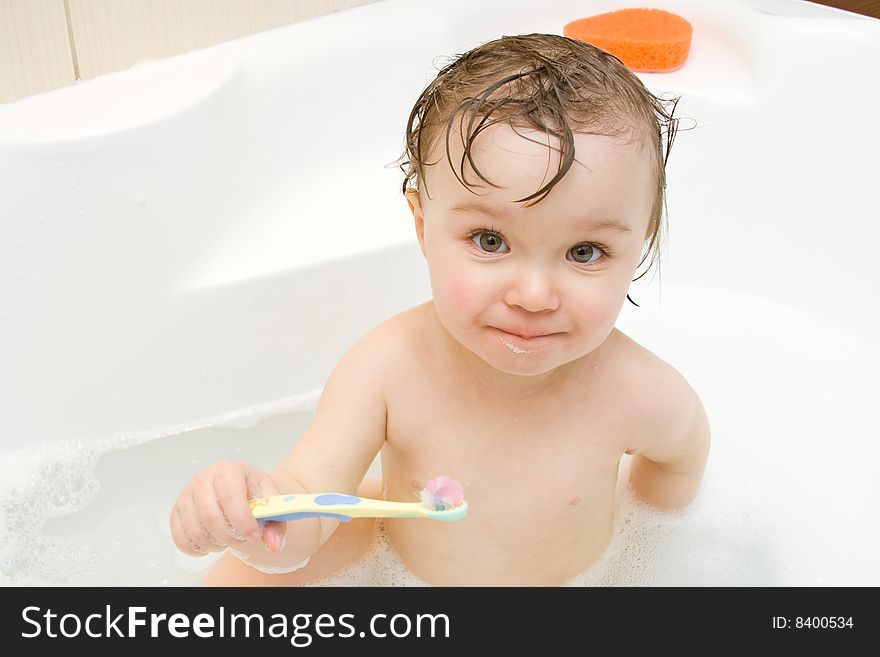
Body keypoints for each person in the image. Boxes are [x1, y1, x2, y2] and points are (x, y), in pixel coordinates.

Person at [170, 33, 710, 586]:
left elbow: (680, 463)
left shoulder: (637, 391)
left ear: (638, 245)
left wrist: (657, 546)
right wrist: (257, 516)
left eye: (584, 252)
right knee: (236, 576)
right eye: (490, 240)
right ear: (424, 226)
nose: (532, 295)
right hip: (400, 563)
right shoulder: (387, 369)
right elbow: (311, 500)